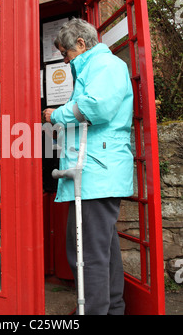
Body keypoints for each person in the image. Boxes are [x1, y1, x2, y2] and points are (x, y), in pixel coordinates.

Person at [43, 18, 134, 315]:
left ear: (81, 44)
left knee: (85, 253)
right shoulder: (96, 68)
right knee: (103, 250)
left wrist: (56, 115)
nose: (66, 61)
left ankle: (95, 311)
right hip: (95, 171)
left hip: (97, 171)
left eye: (67, 55)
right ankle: (112, 309)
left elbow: (97, 107)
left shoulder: (105, 66)